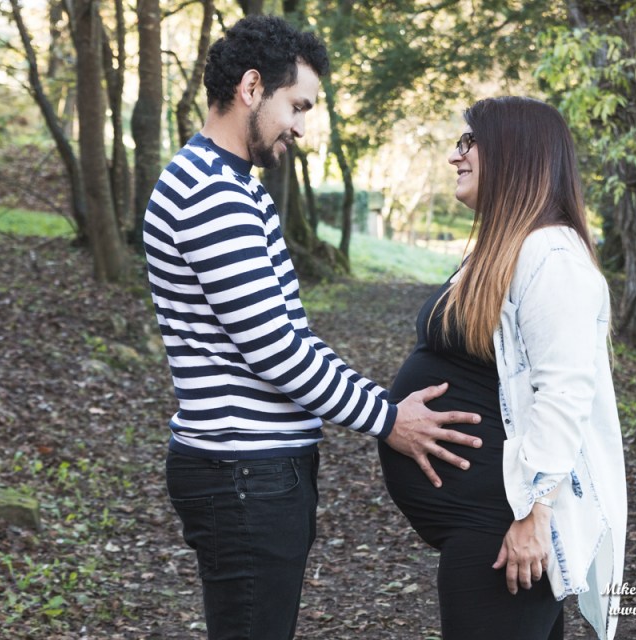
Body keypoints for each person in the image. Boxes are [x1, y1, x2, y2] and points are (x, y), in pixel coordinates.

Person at [142, 15, 482, 640]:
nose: (301, 127)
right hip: (242, 472)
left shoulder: (231, 186)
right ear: (251, 88)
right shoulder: (212, 194)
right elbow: (274, 348)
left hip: (252, 470)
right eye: (296, 107)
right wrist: (388, 418)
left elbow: (283, 332)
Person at [378, 97, 627, 640]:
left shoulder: (551, 257)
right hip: (484, 529)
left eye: (469, 142)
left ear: (514, 154)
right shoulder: (503, 250)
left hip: (505, 531)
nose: (455, 156)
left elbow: (563, 395)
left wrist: (533, 518)